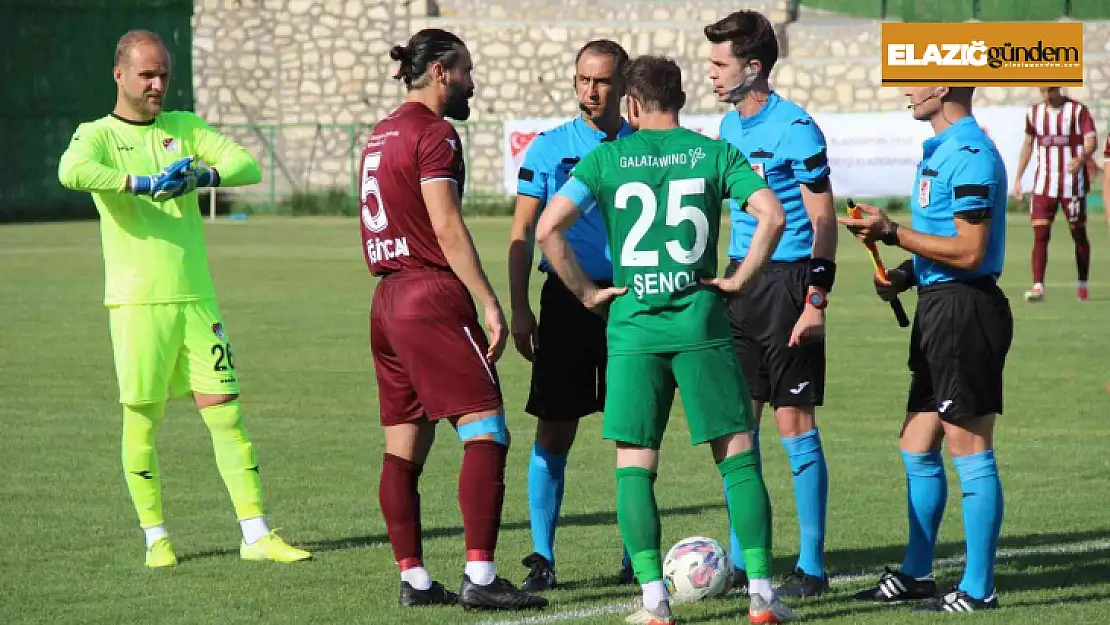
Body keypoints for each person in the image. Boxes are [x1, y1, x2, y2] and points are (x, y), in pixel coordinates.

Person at [535, 54, 798, 625]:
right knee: (738, 456)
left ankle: (654, 603)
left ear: (631, 103)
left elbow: (547, 228)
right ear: (679, 98)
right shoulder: (714, 152)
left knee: (635, 464)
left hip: (634, 328)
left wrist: (584, 293)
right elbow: (772, 216)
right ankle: (761, 594)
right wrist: (738, 280)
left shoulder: (606, 158)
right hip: (701, 322)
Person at [56, 29, 310, 567]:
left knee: (227, 415)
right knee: (142, 420)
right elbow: (71, 171)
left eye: (164, 75)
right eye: (147, 74)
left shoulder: (184, 127)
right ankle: (156, 538)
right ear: (119, 75)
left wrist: (203, 174)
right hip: (136, 304)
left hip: (196, 300)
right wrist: (141, 185)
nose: (157, 85)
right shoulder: (96, 134)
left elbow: (247, 164)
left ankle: (256, 534)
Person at [362, 27, 547, 611]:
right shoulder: (435, 133)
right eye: (465, 70)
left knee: (404, 446)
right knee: (487, 429)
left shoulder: (379, 133)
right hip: (429, 294)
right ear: (441, 71)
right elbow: (445, 225)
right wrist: (490, 300)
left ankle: (414, 580)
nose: (472, 82)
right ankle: (482, 576)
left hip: (387, 299)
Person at [840, 86, 1011, 613]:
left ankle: (980, 589)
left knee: (970, 448)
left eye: (914, 79)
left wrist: (891, 231)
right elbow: (942, 246)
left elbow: (971, 250)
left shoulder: (970, 153)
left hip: (965, 312)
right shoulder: (937, 151)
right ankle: (918, 574)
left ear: (942, 85)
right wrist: (904, 275)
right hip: (938, 308)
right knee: (917, 442)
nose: (906, 91)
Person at [703, 10, 837, 597]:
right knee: (740, 426)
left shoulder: (797, 128)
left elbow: (822, 218)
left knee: (794, 424)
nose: (710, 72)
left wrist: (816, 301)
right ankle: (742, 559)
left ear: (752, 68)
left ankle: (811, 565)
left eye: (720, 62)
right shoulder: (729, 128)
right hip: (741, 282)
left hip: (789, 284)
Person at [508, 38, 636, 591]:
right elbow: (521, 231)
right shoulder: (549, 148)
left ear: (624, 83)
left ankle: (639, 554)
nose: (590, 91)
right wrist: (518, 309)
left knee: (633, 431)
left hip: (632, 299)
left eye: (602, 81)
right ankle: (542, 557)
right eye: (583, 80)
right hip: (565, 300)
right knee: (554, 429)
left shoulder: (645, 145)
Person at [1012, 86, 1097, 302]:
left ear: (1059, 88)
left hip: (1072, 185)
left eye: (1050, 90)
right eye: (1043, 91)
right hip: (1044, 185)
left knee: (1078, 234)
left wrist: (1081, 158)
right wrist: (1018, 178)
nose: (1047, 96)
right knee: (1040, 234)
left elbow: (1091, 140)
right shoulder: (1034, 114)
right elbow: (1028, 144)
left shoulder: (1077, 111)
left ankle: (1082, 283)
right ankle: (1038, 285)